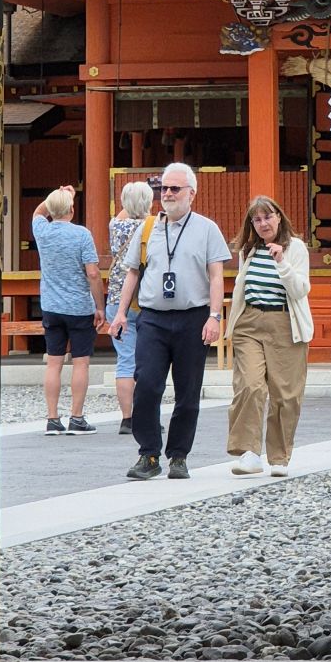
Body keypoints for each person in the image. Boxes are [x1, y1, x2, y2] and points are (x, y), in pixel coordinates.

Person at [109, 162, 230, 481]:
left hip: (193, 318)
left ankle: (179, 455)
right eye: (164, 188)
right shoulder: (146, 228)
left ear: (192, 193)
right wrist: (121, 313)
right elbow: (132, 271)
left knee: (188, 390)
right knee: (146, 384)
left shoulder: (207, 228)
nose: (168, 194)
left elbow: (216, 276)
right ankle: (148, 453)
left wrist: (214, 316)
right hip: (153, 318)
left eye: (175, 188)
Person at [226, 195, 313, 477]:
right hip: (249, 321)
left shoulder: (296, 248)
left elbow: (300, 290)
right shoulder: (248, 250)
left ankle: (279, 456)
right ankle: (248, 453)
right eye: (257, 219)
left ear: (279, 217)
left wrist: (282, 262)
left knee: (285, 394)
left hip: (285, 322)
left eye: (268, 217)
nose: (263, 224)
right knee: (250, 386)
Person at [32, 185, 105, 435]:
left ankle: (52, 419)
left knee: (54, 362)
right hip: (79, 306)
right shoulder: (82, 235)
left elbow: (37, 212)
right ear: (73, 210)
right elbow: (93, 273)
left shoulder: (42, 230)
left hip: (51, 305)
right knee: (80, 362)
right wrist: (100, 306)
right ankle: (77, 417)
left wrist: (58, 195)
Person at [105, 180, 156, 435]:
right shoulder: (153, 227)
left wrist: (130, 201)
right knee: (149, 361)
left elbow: (123, 213)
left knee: (125, 360)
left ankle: (127, 418)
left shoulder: (115, 226)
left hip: (116, 299)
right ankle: (147, 415)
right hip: (146, 299)